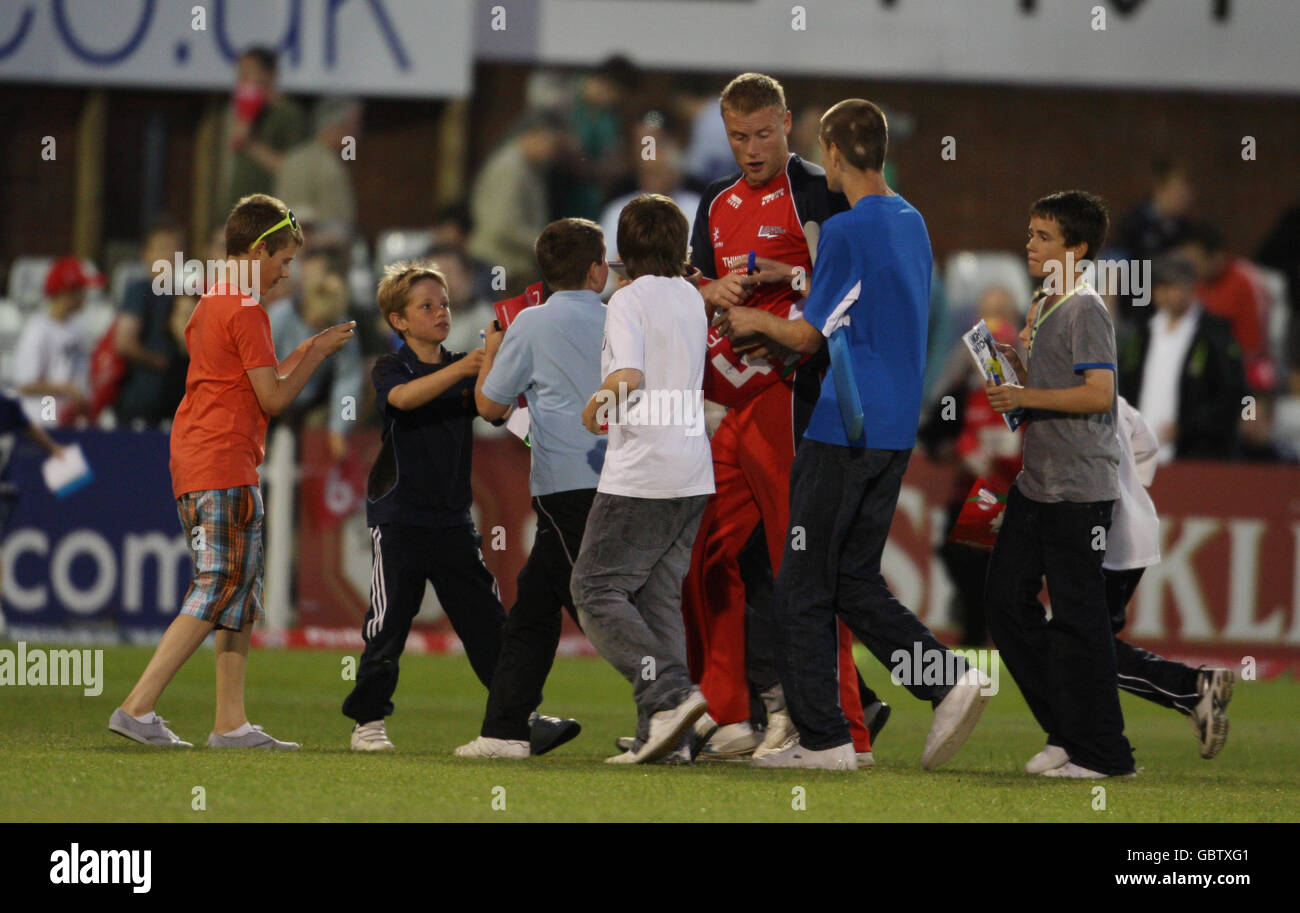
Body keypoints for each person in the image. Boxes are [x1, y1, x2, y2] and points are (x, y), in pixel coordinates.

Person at [719, 100, 989, 771]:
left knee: (803, 584)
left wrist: (752, 319)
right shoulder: (911, 220)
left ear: (835, 153)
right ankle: (945, 680)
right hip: (893, 430)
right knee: (852, 580)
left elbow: (811, 333)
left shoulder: (843, 228)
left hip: (843, 425)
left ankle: (824, 739)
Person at [108, 193, 355, 749]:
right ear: (260, 248)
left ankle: (230, 724)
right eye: (284, 261)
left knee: (239, 593)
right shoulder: (246, 310)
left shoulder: (211, 303)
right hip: (223, 459)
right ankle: (137, 707)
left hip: (202, 457)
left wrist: (311, 344)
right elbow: (272, 398)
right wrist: (316, 354)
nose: (286, 274)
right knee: (220, 583)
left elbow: (254, 382)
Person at [681, 73, 877, 760]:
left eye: (763, 133)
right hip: (732, 405)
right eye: (739, 136)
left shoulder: (818, 189)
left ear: (787, 123)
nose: (752, 148)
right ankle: (737, 711)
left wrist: (779, 281)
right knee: (709, 558)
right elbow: (696, 287)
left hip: (797, 395)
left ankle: (845, 725)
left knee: (799, 561)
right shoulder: (714, 200)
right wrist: (712, 287)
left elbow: (843, 280)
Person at [983, 189, 1136, 779]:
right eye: (1030, 233)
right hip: (1039, 481)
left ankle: (1104, 753)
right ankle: (1067, 732)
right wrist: (1015, 372)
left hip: (1078, 487)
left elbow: (1100, 393)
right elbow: (1053, 389)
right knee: (1003, 602)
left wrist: (1026, 395)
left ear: (1075, 249)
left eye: (1043, 236)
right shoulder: (1047, 301)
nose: (1029, 242)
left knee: (1079, 620)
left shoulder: (1086, 307)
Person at [453, 218, 609, 759]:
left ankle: (673, 702)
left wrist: (492, 350)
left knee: (597, 606)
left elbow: (491, 407)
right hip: (622, 480)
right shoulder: (620, 318)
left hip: (564, 484)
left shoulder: (531, 324)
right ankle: (505, 730)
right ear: (595, 269)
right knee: (535, 607)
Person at [570, 194, 714, 764]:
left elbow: (628, 374)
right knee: (657, 600)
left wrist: (597, 404)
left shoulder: (627, 300)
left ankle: (670, 694)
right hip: (692, 469)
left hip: (644, 470)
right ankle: (666, 734)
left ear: (624, 250)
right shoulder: (691, 298)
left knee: (595, 590)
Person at [341, 261, 508, 751]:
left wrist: (495, 357)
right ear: (398, 321)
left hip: (453, 518)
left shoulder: (465, 363)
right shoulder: (392, 367)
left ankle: (515, 717)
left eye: (445, 304)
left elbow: (491, 410)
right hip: (400, 517)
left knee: (487, 624)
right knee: (389, 622)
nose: (441, 312)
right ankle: (367, 722)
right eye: (427, 306)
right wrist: (467, 366)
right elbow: (402, 400)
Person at [1117, 255, 1245, 462]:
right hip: (1140, 451)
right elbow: (1126, 381)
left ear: (1190, 287)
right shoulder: (1143, 333)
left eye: (1171, 286)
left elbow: (1231, 393)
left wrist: (1187, 428)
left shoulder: (1214, 333)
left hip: (1195, 453)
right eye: (1159, 287)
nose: (1164, 294)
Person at [467, 111, 567, 294]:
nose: (554, 153)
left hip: (511, 266)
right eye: (553, 145)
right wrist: (547, 243)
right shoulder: (511, 169)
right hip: (498, 264)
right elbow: (501, 225)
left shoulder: (530, 168)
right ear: (534, 134)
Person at [115, 220, 190, 425]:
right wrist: (160, 362)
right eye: (163, 248)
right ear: (146, 254)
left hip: (174, 402)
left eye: (176, 249)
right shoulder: (140, 290)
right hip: (142, 399)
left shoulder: (183, 295)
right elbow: (124, 342)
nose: (170, 255)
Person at [219, 46, 307, 216]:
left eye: (248, 73)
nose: (242, 81)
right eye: (240, 75)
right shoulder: (238, 113)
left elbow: (293, 169)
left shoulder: (288, 115)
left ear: (270, 74)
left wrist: (250, 144)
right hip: (237, 210)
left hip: (269, 211)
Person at [12, 256, 97, 426]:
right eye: (81, 289)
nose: (85, 295)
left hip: (70, 418)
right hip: (42, 416)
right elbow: (25, 384)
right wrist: (68, 389)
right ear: (67, 291)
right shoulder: (38, 329)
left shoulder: (78, 328)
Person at [275, 97, 363, 237]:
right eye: (354, 126)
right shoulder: (314, 164)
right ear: (337, 127)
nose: (356, 134)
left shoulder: (318, 159)